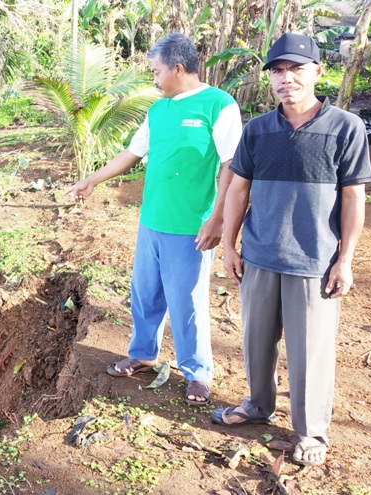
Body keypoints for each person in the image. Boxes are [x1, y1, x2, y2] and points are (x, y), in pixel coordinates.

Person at [213, 33, 371, 466]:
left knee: (310, 351)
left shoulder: (345, 128)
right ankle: (258, 406)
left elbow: (355, 197)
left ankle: (312, 433)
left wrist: (346, 259)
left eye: (296, 69)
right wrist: (229, 244)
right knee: (255, 341)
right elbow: (237, 189)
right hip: (260, 255)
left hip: (314, 262)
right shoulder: (258, 129)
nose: (287, 79)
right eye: (278, 71)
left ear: (318, 72)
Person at [65, 33, 242, 406]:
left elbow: (231, 164)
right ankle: (144, 354)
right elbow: (131, 153)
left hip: (191, 226)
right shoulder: (158, 111)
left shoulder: (218, 105)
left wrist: (218, 218)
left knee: (188, 302)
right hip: (152, 221)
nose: (154, 79)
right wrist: (92, 179)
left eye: (157, 72)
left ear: (179, 68)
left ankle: (197, 372)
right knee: (145, 294)